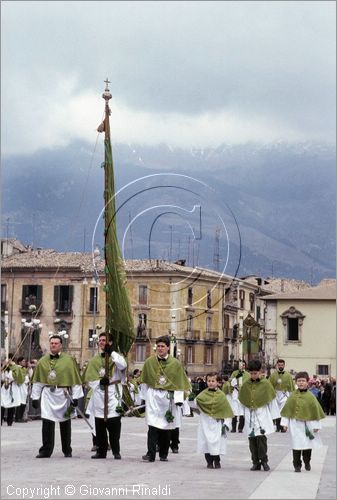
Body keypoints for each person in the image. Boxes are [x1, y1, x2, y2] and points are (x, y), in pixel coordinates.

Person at [139, 335, 190, 462]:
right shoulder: (150, 362)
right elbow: (144, 381)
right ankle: (150, 454)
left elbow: (180, 383)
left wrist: (179, 400)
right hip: (153, 396)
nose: (160, 349)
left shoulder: (175, 363)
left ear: (168, 347)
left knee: (166, 426)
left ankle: (163, 454)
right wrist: (144, 398)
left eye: (163, 346)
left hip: (168, 397)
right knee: (152, 425)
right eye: (158, 346)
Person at [31, 335, 83, 458]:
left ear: (61, 345)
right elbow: (38, 382)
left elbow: (75, 380)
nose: (53, 345)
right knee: (47, 423)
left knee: (65, 423)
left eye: (56, 343)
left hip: (63, 395)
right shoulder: (43, 361)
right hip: (48, 395)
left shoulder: (69, 360)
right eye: (52, 343)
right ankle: (46, 450)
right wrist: (35, 397)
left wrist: (75, 397)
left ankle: (67, 449)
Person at [82, 332, 127, 459]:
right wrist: (99, 382)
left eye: (104, 340)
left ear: (110, 342)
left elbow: (122, 365)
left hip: (113, 392)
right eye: (100, 340)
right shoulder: (94, 360)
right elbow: (90, 378)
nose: (101, 342)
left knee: (114, 424)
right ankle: (101, 451)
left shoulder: (116, 356)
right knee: (99, 423)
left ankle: (116, 450)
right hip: (99, 393)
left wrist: (111, 353)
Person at [238, 359, 279, 472]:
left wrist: (275, 417)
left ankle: (264, 461)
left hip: (262, 414)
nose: (253, 375)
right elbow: (242, 400)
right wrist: (241, 415)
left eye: (255, 373)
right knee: (252, 441)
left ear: (260, 372)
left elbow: (271, 400)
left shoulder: (266, 384)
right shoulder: (246, 384)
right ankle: (255, 462)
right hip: (250, 415)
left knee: (261, 439)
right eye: (251, 373)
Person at [280, 371, 325, 472]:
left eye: (303, 381)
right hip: (295, 424)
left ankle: (307, 461)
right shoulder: (292, 396)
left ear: (307, 382)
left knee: (307, 444)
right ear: (296, 382)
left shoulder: (311, 397)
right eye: (299, 381)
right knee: (296, 444)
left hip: (308, 424)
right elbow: (287, 410)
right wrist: (285, 424)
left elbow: (315, 411)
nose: (301, 383)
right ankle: (296, 464)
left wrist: (316, 425)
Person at [195, 372, 233, 469]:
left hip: (216, 422)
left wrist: (227, 423)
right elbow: (196, 403)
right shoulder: (202, 395)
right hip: (205, 422)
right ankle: (209, 461)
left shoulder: (221, 396)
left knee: (216, 442)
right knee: (206, 441)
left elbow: (226, 410)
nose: (211, 383)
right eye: (209, 381)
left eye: (213, 381)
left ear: (217, 382)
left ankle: (217, 460)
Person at [269, 359, 295, 431]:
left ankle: (283, 426)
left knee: (283, 410)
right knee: (276, 411)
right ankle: (278, 427)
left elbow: (291, 387)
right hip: (276, 394)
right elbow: (269, 385)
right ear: (277, 365)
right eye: (279, 365)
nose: (280, 366)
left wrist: (291, 396)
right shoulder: (273, 375)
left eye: (282, 365)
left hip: (284, 394)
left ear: (284, 365)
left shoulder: (288, 375)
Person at [1, 355, 24, 426]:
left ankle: (9, 421)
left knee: (11, 404)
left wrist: (13, 366)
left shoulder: (16, 368)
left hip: (12, 387)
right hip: (4, 387)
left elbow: (18, 377)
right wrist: (3, 366)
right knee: (2, 403)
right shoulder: (4, 367)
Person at [228, 360, 250, 433]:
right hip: (235, 393)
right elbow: (231, 381)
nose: (242, 366)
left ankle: (240, 428)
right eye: (240, 365)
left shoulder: (247, 374)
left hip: (243, 394)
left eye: (243, 365)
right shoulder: (234, 373)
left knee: (242, 412)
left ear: (245, 366)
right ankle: (233, 428)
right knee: (234, 411)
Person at [15, 357, 29, 422]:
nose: (24, 362)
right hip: (20, 387)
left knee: (23, 404)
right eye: (23, 361)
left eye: (24, 361)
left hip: (25, 387)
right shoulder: (18, 368)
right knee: (20, 403)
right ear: (19, 362)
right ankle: (17, 418)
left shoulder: (24, 369)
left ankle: (21, 417)